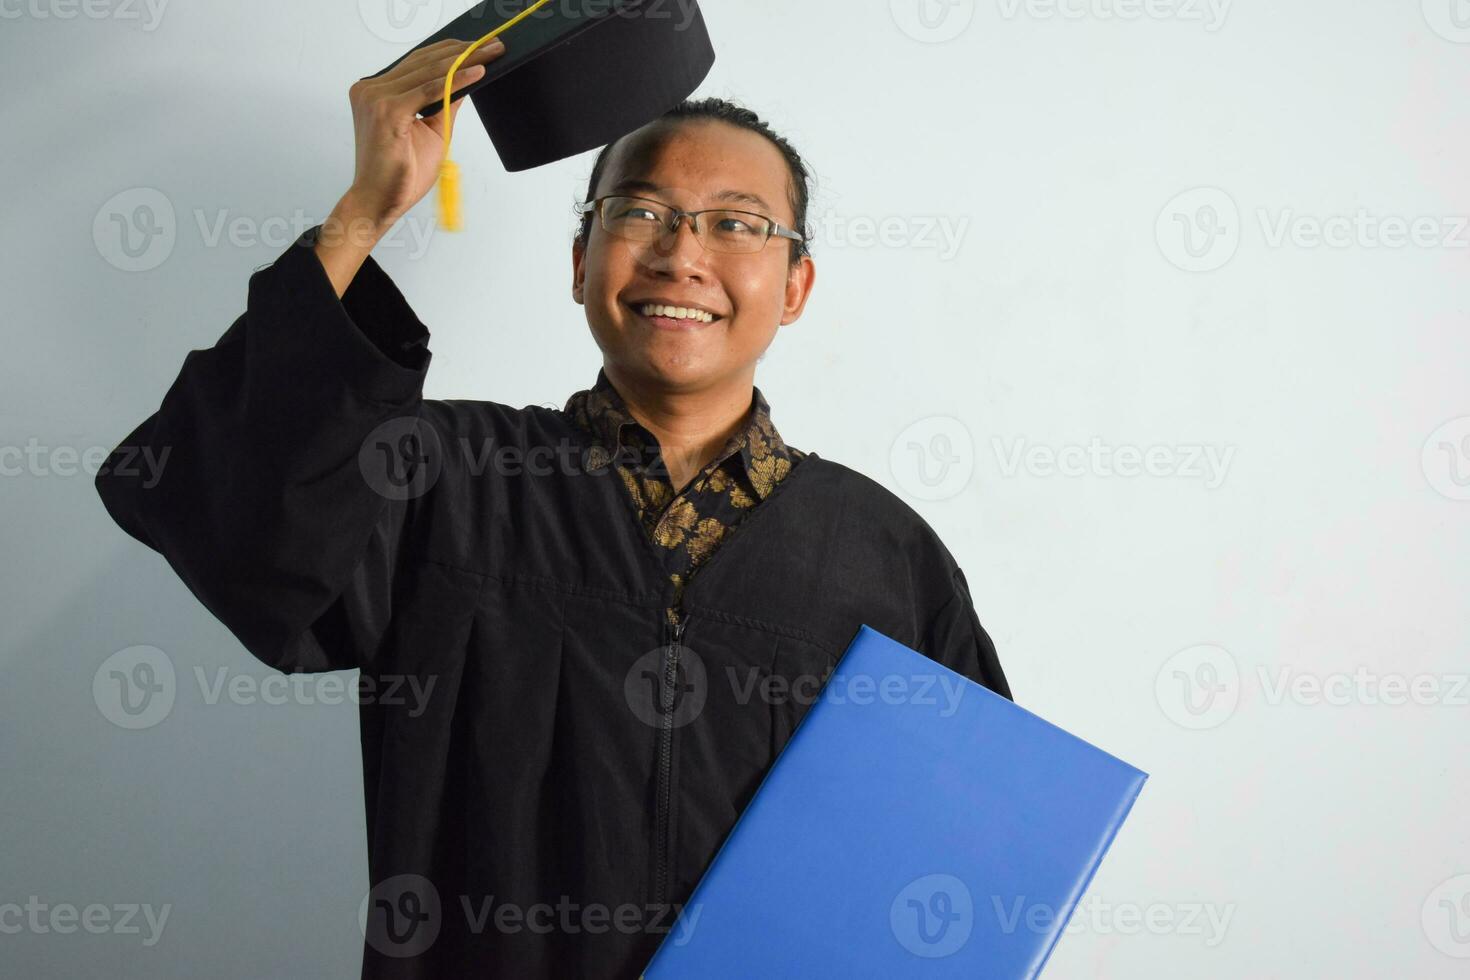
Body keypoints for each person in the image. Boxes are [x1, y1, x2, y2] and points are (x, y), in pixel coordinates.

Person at [95, 39, 1012, 980]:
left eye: (736, 225)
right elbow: (245, 528)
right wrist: (363, 212)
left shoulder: (887, 559)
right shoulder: (441, 479)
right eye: (640, 212)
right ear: (582, 262)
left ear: (796, 288)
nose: (682, 253)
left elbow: (959, 869)